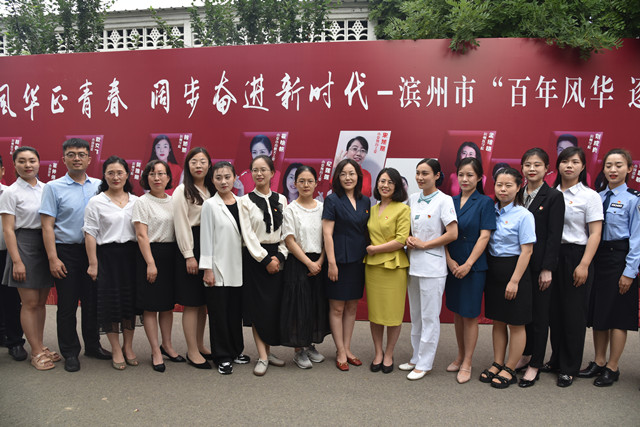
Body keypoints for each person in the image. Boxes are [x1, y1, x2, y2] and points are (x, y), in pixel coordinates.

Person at [40, 138, 110, 373]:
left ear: (89, 159)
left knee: (92, 302)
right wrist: (53, 258)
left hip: (94, 252)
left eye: (81, 154)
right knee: (67, 305)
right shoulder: (53, 187)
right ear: (64, 159)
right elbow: (47, 226)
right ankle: (70, 352)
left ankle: (93, 345)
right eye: (71, 154)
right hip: (66, 252)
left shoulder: (100, 185)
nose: (77, 158)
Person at [579, 149, 639, 387]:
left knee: (617, 316)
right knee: (599, 312)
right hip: (599, 258)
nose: (613, 170)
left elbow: (637, 239)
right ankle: (599, 361)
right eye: (609, 165)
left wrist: (629, 272)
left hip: (620, 259)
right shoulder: (598, 196)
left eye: (619, 165)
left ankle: (612, 367)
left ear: (630, 169)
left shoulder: (634, 199)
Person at [546, 146, 602, 387]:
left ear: (583, 166)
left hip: (576, 255)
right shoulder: (549, 193)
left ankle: (569, 367)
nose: (569, 166)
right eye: (565, 161)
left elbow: (595, 233)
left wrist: (584, 264)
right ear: (558, 165)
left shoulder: (590, 196)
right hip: (552, 256)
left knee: (573, 315)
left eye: (575, 162)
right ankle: (556, 359)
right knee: (554, 313)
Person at [400, 160, 458, 381]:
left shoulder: (444, 200)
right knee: (416, 315)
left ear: (437, 175)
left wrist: (425, 244)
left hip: (433, 267)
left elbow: (452, 233)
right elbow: (408, 229)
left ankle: (425, 363)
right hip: (413, 264)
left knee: (429, 317)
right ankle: (416, 356)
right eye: (417, 173)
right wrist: (408, 238)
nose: (420, 177)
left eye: (425, 173)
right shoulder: (413, 199)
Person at [0, 147, 55, 370]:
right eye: (21, 161)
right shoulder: (10, 193)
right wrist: (17, 261)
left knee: (41, 302)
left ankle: (40, 345)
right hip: (24, 245)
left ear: (39, 162)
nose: (27, 165)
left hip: (45, 244)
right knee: (29, 303)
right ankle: (35, 352)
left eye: (32, 160)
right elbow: (8, 230)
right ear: (14, 165)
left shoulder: (47, 188)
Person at [480, 167, 535, 389]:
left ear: (519, 187)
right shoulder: (490, 211)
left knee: (516, 323)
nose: (503, 189)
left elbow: (527, 251)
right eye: (499, 185)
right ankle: (497, 362)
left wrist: (514, 281)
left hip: (515, 271)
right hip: (494, 270)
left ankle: (511, 368)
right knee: (498, 321)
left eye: (508, 185)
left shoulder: (524, 215)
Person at [83, 156, 139, 370]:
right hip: (107, 257)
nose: (116, 177)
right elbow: (90, 233)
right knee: (110, 304)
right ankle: (115, 349)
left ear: (127, 175)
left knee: (129, 303)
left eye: (120, 173)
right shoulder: (96, 202)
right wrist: (93, 263)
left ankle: (128, 347)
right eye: (111, 173)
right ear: (104, 176)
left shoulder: (136, 201)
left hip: (131, 257)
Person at [515, 148, 565, 388]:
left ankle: (535, 363)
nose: (532, 169)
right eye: (527, 164)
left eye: (537, 165)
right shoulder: (517, 193)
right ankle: (525, 355)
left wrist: (547, 268)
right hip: (518, 264)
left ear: (547, 169)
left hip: (539, 266)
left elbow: (555, 236)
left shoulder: (554, 197)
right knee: (523, 314)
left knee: (540, 316)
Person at [444, 157, 495, 384]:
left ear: (479, 177)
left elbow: (485, 236)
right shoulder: (450, 201)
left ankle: (467, 361)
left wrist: (468, 264)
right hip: (452, 264)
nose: (465, 179)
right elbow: (443, 234)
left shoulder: (485, 202)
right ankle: (459, 355)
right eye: (461, 175)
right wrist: (449, 260)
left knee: (470, 315)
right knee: (457, 312)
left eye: (470, 175)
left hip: (473, 267)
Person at [132, 160, 184, 373]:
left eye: (161, 174)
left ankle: (167, 346)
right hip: (150, 255)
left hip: (171, 256)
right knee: (151, 306)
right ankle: (155, 351)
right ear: (146, 177)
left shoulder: (174, 201)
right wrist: (150, 263)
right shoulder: (142, 202)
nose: (157, 178)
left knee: (166, 305)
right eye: (152, 174)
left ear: (168, 177)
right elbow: (141, 235)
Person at [239, 155, 288, 376]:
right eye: (255, 170)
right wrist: (266, 259)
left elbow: (286, 232)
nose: (259, 174)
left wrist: (280, 257)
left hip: (277, 257)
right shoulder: (245, 201)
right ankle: (262, 356)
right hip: (255, 259)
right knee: (258, 309)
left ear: (272, 173)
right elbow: (248, 235)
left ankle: (267, 351)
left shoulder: (282, 199)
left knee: (272, 308)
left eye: (263, 170)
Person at [200, 161, 250, 375]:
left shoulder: (242, 203)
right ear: (212, 180)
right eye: (218, 177)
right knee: (219, 314)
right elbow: (206, 238)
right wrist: (207, 269)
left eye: (227, 177)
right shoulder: (210, 205)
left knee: (234, 312)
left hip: (239, 266)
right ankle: (222, 356)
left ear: (235, 178)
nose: (223, 181)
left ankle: (236, 350)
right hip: (218, 268)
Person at [322, 159, 370, 371]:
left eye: (351, 173)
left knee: (352, 306)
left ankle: (348, 348)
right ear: (337, 178)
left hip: (358, 260)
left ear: (358, 176)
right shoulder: (332, 200)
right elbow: (327, 234)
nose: (348, 178)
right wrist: (332, 263)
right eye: (343, 174)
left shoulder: (365, 201)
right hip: (338, 260)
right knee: (337, 307)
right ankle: (340, 350)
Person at [281, 165, 330, 369]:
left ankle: (309, 345)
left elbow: (327, 237)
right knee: (298, 307)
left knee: (314, 305)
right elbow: (289, 240)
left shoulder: (322, 207)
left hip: (319, 261)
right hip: (298, 262)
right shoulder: (290, 209)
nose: (306, 185)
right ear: (295, 184)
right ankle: (298, 350)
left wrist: (320, 261)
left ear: (316, 183)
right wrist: (309, 263)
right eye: (301, 181)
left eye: (310, 181)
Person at [365, 167, 412, 375]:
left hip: (394, 266)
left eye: (390, 182)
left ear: (397, 186)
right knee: (375, 314)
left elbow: (401, 240)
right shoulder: (372, 208)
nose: (385, 185)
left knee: (393, 314)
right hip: (373, 268)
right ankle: (378, 352)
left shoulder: (402, 209)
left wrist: (375, 249)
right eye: (382, 181)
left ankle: (389, 354)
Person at [173, 147, 215, 369]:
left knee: (203, 303)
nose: (198, 165)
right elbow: (181, 225)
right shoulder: (182, 191)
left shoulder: (213, 188)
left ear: (209, 165)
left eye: (202, 161)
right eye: (193, 161)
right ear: (187, 166)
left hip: (210, 246)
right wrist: (189, 255)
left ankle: (200, 345)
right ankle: (191, 350)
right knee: (191, 303)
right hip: (192, 246)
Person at [0, 154, 27, 362]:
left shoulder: (9, 193)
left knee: (10, 299)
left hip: (5, 253)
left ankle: (15, 341)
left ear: (2, 170)